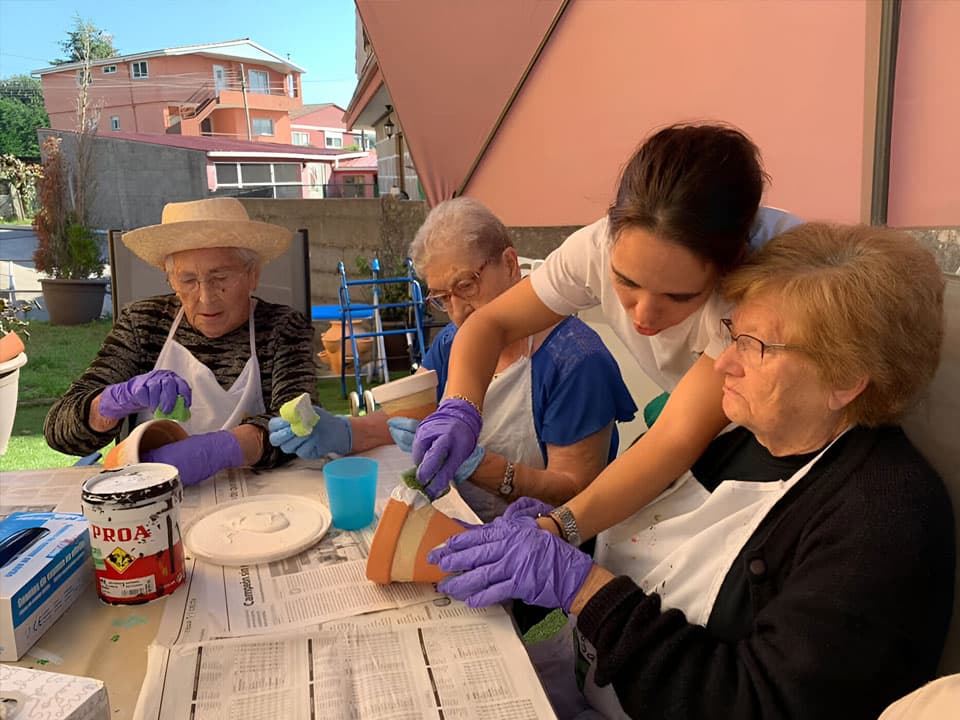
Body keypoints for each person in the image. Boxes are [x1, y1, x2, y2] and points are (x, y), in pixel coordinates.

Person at [428, 223, 955, 720]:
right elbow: (641, 540)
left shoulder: (886, 518)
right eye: (733, 333)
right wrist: (552, 535)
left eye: (757, 347)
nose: (724, 362)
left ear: (845, 380)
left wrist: (580, 585)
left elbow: (751, 703)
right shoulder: (735, 433)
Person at [410, 123, 802, 539]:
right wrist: (460, 407)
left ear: (733, 262)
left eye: (680, 297)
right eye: (627, 283)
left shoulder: (767, 283)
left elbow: (675, 438)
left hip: (781, 447)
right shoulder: (595, 248)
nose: (644, 316)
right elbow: (490, 323)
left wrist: (558, 528)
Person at [268, 197, 637, 522]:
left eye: (466, 285)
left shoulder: (575, 360)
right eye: (442, 297)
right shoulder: (449, 343)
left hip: (539, 547)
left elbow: (575, 493)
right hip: (458, 519)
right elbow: (412, 416)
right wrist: (343, 432)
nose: (458, 312)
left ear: (510, 264)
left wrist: (478, 466)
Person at [44, 197, 316, 485]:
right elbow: (59, 432)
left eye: (221, 277)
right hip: (150, 496)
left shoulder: (282, 327)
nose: (206, 297)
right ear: (170, 280)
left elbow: (301, 425)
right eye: (188, 280)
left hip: (256, 503)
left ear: (253, 275)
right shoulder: (143, 323)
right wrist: (110, 404)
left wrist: (220, 450)